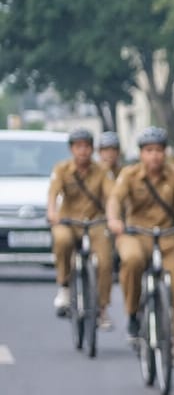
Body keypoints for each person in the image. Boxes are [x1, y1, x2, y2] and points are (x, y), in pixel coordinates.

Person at [107, 126, 174, 367]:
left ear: (165, 153)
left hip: (168, 237)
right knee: (132, 261)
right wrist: (115, 220)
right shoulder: (129, 174)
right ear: (141, 153)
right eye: (149, 150)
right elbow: (115, 199)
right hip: (135, 234)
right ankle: (133, 315)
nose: (154, 155)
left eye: (158, 150)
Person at [47, 127, 114, 325]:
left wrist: (112, 217)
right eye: (78, 147)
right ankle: (65, 286)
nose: (82, 151)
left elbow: (111, 196)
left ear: (92, 149)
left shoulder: (102, 171)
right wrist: (52, 212)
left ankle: (102, 308)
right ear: (71, 149)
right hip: (67, 221)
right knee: (62, 240)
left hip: (95, 222)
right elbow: (53, 194)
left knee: (105, 260)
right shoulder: (61, 169)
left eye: (86, 146)